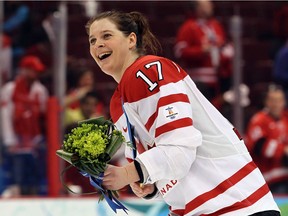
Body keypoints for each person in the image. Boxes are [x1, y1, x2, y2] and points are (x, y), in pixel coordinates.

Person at [85, 10, 280, 216]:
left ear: (131, 39)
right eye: (92, 40)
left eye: (107, 36)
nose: (97, 44)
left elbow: (180, 147)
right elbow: (171, 165)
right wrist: (152, 185)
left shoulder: (149, 71)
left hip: (236, 206)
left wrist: (129, 173)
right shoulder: (119, 102)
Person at [0, 55, 49, 196]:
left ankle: (35, 197)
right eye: (33, 70)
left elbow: (43, 117)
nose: (36, 74)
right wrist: (9, 140)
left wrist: (39, 139)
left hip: (34, 140)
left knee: (35, 174)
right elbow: (5, 116)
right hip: (15, 138)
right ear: (24, 70)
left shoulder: (40, 91)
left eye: (37, 71)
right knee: (17, 173)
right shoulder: (10, 89)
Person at [174, 0, 233, 102]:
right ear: (197, 8)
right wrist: (201, 51)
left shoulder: (216, 25)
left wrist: (226, 53)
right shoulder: (188, 27)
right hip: (198, 81)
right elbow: (180, 52)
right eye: (207, 5)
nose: (211, 6)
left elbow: (223, 45)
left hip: (218, 80)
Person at [245, 84, 288, 194]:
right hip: (267, 179)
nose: (276, 104)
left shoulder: (286, 118)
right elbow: (261, 147)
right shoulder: (258, 120)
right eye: (273, 100)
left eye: (279, 100)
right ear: (267, 102)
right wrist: (283, 150)